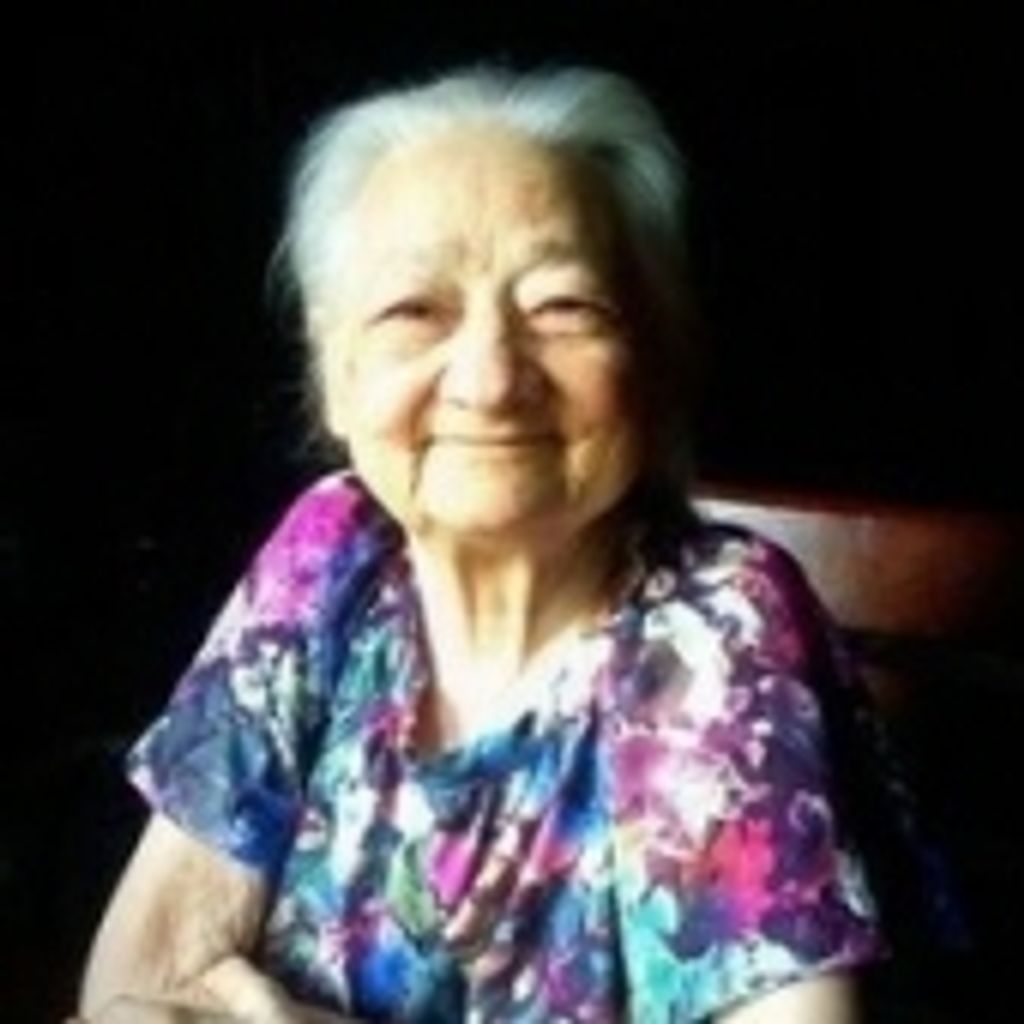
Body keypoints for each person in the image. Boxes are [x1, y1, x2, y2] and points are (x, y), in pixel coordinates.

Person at [73, 64, 939, 1023]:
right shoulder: (331, 551)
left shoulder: (713, 628)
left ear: (652, 361)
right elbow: (137, 985)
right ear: (334, 373)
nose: (489, 380)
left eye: (563, 307)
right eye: (414, 311)